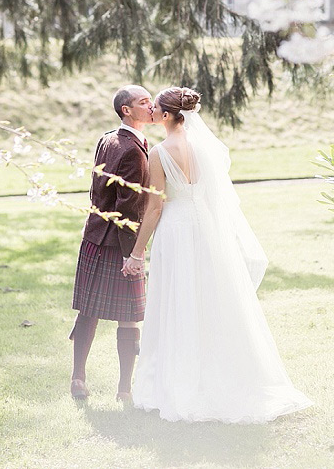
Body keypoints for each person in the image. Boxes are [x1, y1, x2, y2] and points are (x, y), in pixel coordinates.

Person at [122, 85, 313, 423]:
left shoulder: (159, 153)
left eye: (156, 110)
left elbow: (154, 209)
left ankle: (182, 383)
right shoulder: (205, 148)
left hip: (177, 231)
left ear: (167, 116)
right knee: (212, 300)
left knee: (180, 302)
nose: (151, 112)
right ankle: (223, 375)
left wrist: (137, 253)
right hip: (207, 229)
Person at [70, 85, 153, 401]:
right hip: (117, 243)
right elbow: (127, 206)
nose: (151, 105)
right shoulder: (132, 149)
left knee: (88, 311)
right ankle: (123, 390)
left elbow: (95, 190)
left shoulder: (107, 139)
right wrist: (133, 252)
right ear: (126, 110)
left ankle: (78, 378)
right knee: (128, 315)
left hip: (94, 237)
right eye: (143, 102)